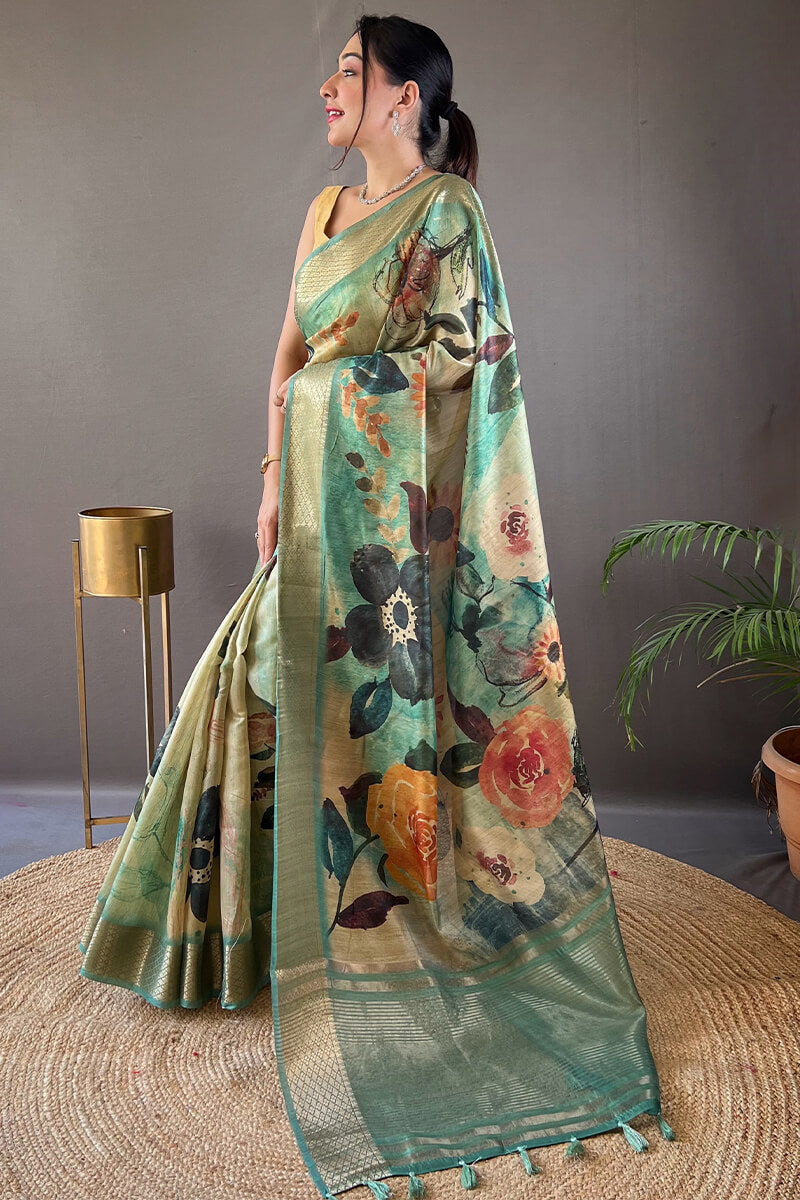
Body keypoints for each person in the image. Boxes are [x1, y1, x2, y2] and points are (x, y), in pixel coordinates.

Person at [78, 14, 674, 1198]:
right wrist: (270, 479)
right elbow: (285, 358)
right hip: (309, 508)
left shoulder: (448, 215)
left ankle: (370, 941)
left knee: (327, 716)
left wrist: (325, 411)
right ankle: (237, 944)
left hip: (393, 539)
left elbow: (465, 368)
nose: (327, 86)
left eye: (349, 71)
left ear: (405, 97)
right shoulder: (322, 212)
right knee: (245, 694)